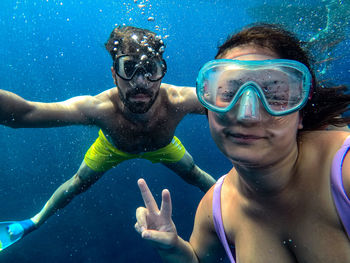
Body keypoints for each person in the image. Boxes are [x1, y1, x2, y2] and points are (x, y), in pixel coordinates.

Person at [135, 23, 350, 262]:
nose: (248, 114)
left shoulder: (344, 172)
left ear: (301, 111)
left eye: (274, 96)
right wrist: (172, 248)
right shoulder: (214, 209)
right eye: (228, 94)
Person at [0, 26, 216, 248]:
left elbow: (228, 104)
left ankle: (229, 202)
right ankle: (33, 222)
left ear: (162, 72)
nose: (140, 82)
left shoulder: (179, 100)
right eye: (129, 68)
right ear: (114, 74)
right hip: (112, 148)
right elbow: (28, 113)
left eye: (150, 69)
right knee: (78, 182)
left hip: (164, 146)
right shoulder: (100, 108)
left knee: (194, 173)